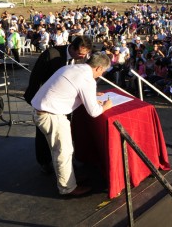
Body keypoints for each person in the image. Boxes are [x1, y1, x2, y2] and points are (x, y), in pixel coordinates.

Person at [31, 52, 113, 196]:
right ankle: (68, 188)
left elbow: (68, 89)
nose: (101, 75)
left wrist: (91, 96)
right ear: (99, 68)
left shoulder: (73, 68)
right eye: (103, 72)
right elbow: (94, 112)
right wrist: (106, 105)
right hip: (51, 115)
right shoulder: (87, 79)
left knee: (61, 149)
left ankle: (69, 178)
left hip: (42, 110)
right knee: (63, 152)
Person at [24, 36, 93, 174]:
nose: (83, 57)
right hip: (46, 103)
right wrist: (35, 101)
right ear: (72, 47)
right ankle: (45, 161)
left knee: (64, 132)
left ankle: (65, 160)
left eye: (85, 54)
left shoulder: (82, 57)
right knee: (45, 133)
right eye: (80, 54)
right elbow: (36, 78)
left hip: (66, 102)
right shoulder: (52, 54)